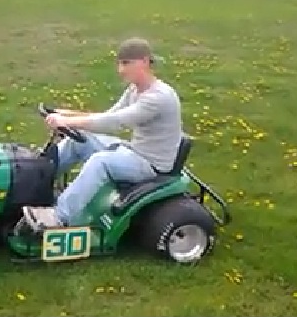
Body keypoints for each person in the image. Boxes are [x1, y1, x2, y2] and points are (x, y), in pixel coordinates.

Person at [22, 37, 183, 231]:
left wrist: (67, 121)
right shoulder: (135, 89)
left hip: (150, 164)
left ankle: (58, 217)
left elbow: (114, 123)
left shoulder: (158, 97)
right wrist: (65, 113)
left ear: (145, 61)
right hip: (134, 151)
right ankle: (35, 185)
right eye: (119, 63)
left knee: (101, 162)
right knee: (78, 142)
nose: (120, 70)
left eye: (126, 63)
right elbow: (109, 115)